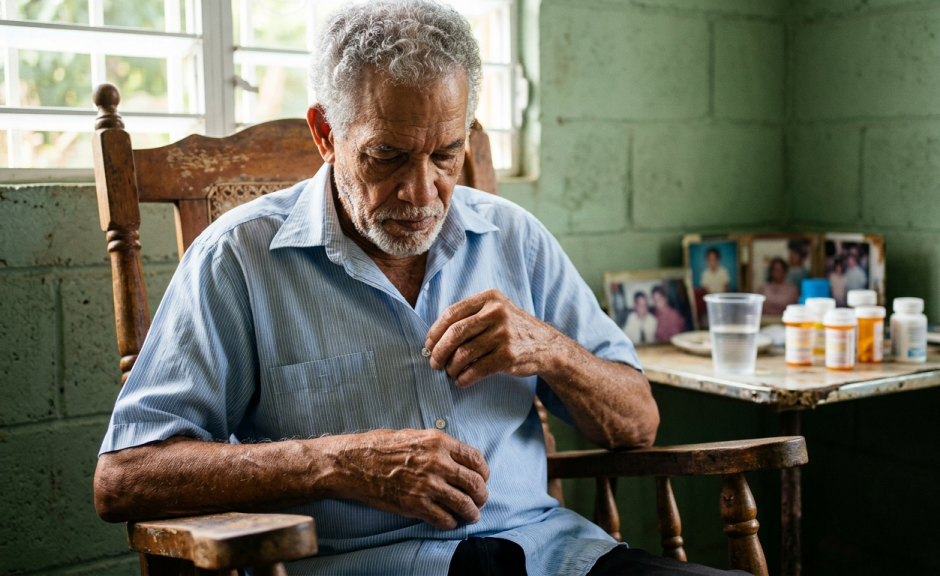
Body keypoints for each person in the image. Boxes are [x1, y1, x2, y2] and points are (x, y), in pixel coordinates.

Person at [92, 3, 748, 575]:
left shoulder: (515, 238)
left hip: (552, 557)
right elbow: (122, 479)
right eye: (388, 156)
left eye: (445, 154)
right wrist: (336, 464)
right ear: (325, 134)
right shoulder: (236, 259)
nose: (421, 192)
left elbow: (638, 425)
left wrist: (549, 348)